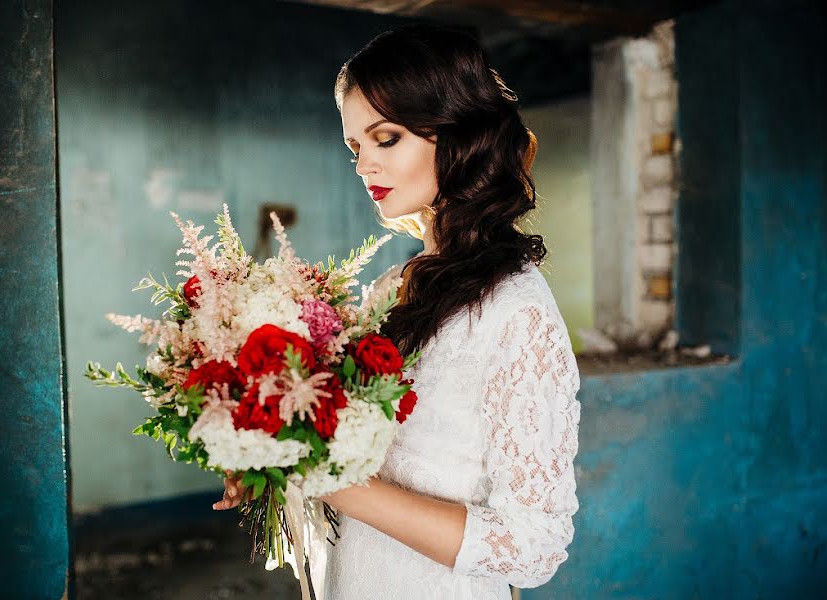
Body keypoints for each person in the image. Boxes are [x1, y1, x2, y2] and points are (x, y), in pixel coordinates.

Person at [215, 23, 581, 600]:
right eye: (355, 148)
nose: (364, 168)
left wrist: (339, 486)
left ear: (458, 137)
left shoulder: (517, 311)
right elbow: (352, 447)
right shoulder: (390, 289)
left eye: (386, 139)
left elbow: (534, 546)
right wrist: (276, 460)